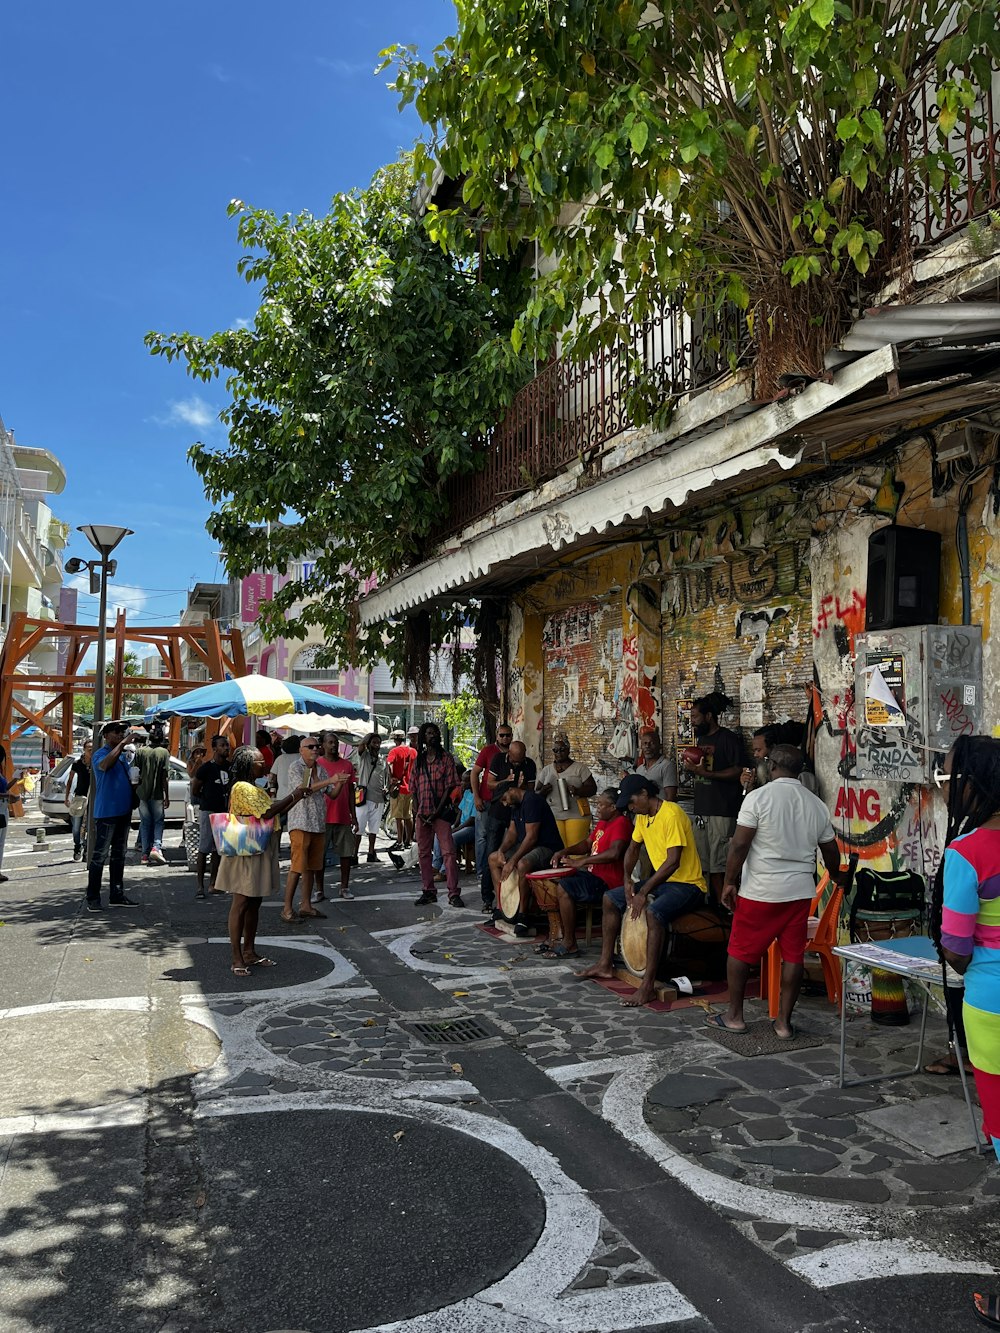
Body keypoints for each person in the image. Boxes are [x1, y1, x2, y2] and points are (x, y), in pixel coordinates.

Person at [931, 735, 1000, 1329]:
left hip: (992, 1008)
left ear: (972, 787)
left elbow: (955, 950)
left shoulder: (969, 852)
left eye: (949, 775)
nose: (946, 785)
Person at [713, 744, 843, 1038]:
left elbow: (739, 844)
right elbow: (830, 850)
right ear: (800, 771)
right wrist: (836, 875)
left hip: (761, 890)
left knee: (740, 952)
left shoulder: (758, 798)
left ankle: (734, 1016)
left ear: (771, 767)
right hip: (799, 893)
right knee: (794, 956)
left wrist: (730, 881)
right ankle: (783, 1023)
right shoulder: (815, 804)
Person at [576, 775, 706, 1006]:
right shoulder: (642, 817)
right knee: (609, 898)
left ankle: (648, 984)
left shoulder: (672, 813)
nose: (631, 807)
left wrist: (644, 891)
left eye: (633, 802)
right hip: (663, 882)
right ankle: (605, 963)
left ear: (646, 794)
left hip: (688, 884)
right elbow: (633, 848)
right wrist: (627, 880)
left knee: (653, 913)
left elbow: (673, 861)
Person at [218, 744, 307, 978]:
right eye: (260, 762)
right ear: (248, 765)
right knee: (241, 902)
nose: (266, 765)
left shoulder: (254, 788)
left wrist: (296, 797)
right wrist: (294, 795)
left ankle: (249, 951)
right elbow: (266, 813)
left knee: (254, 901)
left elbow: (272, 810)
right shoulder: (242, 788)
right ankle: (237, 957)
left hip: (260, 846)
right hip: (246, 849)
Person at [547, 787, 632, 959]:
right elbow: (587, 844)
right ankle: (556, 935)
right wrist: (564, 851)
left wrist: (582, 861)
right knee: (556, 880)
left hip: (607, 882)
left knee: (564, 887)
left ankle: (569, 943)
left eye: (601, 805)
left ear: (614, 807)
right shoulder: (603, 822)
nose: (597, 808)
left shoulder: (621, 823)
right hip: (593, 875)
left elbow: (615, 852)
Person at [681, 691, 745, 903]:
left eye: (696, 717)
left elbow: (738, 770)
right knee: (705, 864)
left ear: (709, 716)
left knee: (721, 865)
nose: (692, 722)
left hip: (722, 810)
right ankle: (712, 910)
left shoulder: (728, 739)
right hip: (702, 810)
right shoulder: (701, 739)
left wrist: (707, 774)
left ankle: (726, 912)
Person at [281, 737, 348, 920]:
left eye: (317, 746)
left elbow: (332, 795)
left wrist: (340, 782)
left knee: (311, 866)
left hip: (317, 823)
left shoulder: (320, 769)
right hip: (301, 822)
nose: (315, 749)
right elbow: (303, 789)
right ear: (301, 750)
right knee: (297, 866)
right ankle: (287, 908)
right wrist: (330, 781)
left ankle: (306, 905)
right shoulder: (296, 767)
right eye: (310, 747)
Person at [489, 779, 563, 937]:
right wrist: (501, 851)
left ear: (511, 790)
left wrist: (512, 861)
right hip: (529, 846)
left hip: (547, 848)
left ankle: (523, 915)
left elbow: (532, 838)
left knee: (522, 864)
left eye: (504, 799)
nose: (504, 804)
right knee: (493, 858)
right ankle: (501, 908)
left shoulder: (532, 801)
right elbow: (512, 833)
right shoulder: (514, 805)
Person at [86, 721, 141, 911]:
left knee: (119, 855)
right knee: (100, 856)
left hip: (123, 812)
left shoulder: (123, 759)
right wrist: (124, 742)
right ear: (106, 735)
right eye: (116, 732)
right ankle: (93, 897)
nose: (120, 734)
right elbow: (104, 765)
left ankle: (116, 894)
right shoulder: (101, 754)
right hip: (106, 813)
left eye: (122, 732)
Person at [411, 721, 464, 908]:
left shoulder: (446, 758)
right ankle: (428, 891)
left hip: (440, 814)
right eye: (428, 733)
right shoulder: (419, 760)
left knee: (449, 852)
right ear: (423, 738)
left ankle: (453, 893)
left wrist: (436, 811)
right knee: (423, 854)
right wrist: (418, 812)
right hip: (422, 814)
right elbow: (413, 788)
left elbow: (451, 786)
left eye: (434, 733)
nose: (431, 736)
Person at [472, 722, 513, 901]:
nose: (505, 738)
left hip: (506, 805)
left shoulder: (515, 754)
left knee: (504, 841)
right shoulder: (489, 751)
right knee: (484, 839)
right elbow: (475, 773)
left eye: (507, 735)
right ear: (497, 736)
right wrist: (476, 797)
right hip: (487, 802)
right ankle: (482, 872)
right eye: (502, 735)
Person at [317, 731, 357, 900]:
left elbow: (350, 792)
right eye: (330, 742)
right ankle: (319, 890)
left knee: (346, 854)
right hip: (322, 817)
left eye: (335, 742)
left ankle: (345, 887)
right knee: (319, 855)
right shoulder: (317, 764)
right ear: (323, 745)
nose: (333, 745)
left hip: (342, 816)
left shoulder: (347, 765)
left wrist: (353, 815)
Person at [536, 735, 597, 847]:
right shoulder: (547, 770)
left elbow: (593, 788)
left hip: (576, 815)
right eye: (555, 750)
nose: (558, 753)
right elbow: (536, 793)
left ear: (568, 750)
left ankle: (578, 865)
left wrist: (578, 791)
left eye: (562, 749)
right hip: (554, 816)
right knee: (559, 850)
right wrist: (543, 791)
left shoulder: (579, 768)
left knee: (576, 850)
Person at [191, 734, 231, 897]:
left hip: (224, 812)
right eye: (222, 745)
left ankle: (214, 883)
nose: (226, 748)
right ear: (214, 748)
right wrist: (206, 799)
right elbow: (195, 788)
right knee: (204, 848)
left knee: (219, 850)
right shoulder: (206, 768)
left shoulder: (230, 767)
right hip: (208, 811)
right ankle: (200, 886)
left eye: (227, 745)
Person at [136, 722, 171, 866]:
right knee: (158, 821)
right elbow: (164, 777)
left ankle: (144, 855)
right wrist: (166, 795)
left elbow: (135, 773)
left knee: (145, 823)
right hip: (156, 793)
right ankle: (156, 847)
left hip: (141, 793)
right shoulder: (164, 753)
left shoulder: (141, 752)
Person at [432, 771, 476, 879]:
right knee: (439, 834)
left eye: (465, 781)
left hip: (470, 828)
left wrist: (457, 829)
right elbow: (460, 811)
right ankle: (436, 865)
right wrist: (455, 825)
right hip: (461, 825)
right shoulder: (466, 793)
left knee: (450, 838)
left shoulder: (476, 795)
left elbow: (472, 820)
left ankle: (445, 871)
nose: (462, 783)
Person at [353, 732, 386, 863]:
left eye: (378, 743)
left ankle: (371, 853)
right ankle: (354, 855)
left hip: (378, 798)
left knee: (374, 828)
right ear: (369, 744)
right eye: (374, 742)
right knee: (359, 828)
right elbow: (361, 746)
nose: (377, 745)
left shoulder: (382, 760)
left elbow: (386, 778)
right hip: (363, 797)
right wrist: (369, 736)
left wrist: (386, 789)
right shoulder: (364, 756)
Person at [386, 727, 417, 849]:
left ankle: (399, 841)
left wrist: (391, 778)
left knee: (399, 817)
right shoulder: (413, 752)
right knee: (408, 815)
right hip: (411, 787)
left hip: (399, 787)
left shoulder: (394, 751)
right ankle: (408, 840)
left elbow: (389, 763)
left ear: (395, 740)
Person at [631, 727, 678, 801]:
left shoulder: (667, 766)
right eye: (645, 743)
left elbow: (671, 798)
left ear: (659, 746)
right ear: (641, 747)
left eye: (651, 743)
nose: (647, 746)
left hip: (661, 811)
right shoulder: (639, 770)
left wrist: (663, 812)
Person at [65, 739, 93, 861]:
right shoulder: (77, 763)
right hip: (79, 797)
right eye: (89, 749)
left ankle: (86, 849)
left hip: (93, 797)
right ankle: (78, 846)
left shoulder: (97, 762)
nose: (91, 751)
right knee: (76, 826)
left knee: (90, 826)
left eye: (93, 748)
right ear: (84, 750)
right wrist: (67, 797)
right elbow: (70, 780)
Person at [0, 743, 23, 883]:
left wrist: (15, 779)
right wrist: (9, 797)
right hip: (1, 807)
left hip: (3, 807)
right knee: (0, 841)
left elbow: (4, 788)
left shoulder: (0, 773)